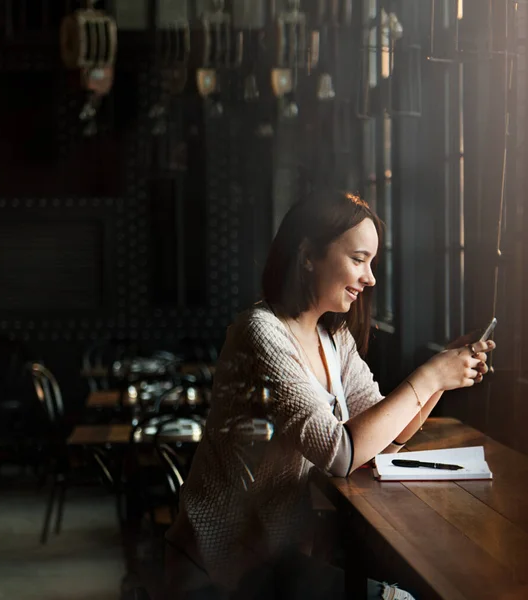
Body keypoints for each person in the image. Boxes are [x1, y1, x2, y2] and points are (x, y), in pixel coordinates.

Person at [163, 192, 494, 600]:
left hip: (280, 558)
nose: (370, 277)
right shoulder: (260, 331)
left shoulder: (332, 335)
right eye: (359, 259)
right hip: (223, 565)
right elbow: (341, 454)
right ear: (307, 256)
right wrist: (427, 377)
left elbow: (383, 443)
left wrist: (440, 379)